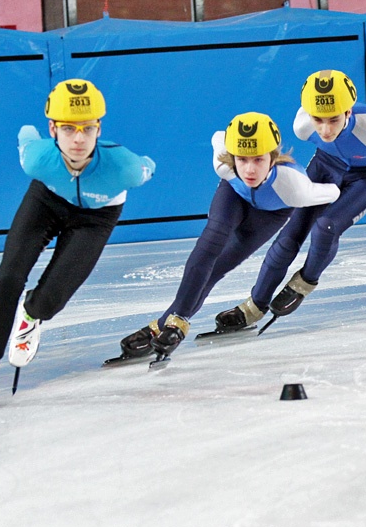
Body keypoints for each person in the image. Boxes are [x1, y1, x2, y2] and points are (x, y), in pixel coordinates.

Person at [0, 79, 155, 396]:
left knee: (51, 297)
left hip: (96, 217)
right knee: (8, 278)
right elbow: (26, 134)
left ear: (99, 128)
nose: (79, 139)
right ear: (53, 129)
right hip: (47, 200)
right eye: (69, 129)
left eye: (87, 128)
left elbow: (148, 167)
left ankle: (31, 317)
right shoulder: (35, 159)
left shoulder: (125, 168)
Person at [116, 111, 340, 361]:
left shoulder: (294, 187)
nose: (250, 170)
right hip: (233, 195)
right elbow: (218, 137)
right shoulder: (225, 165)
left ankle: (161, 324)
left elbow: (332, 193)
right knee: (209, 245)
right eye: (242, 159)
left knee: (217, 267)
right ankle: (175, 324)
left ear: (273, 157)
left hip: (271, 212)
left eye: (258, 159)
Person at [215, 69, 366, 332]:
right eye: (318, 120)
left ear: (349, 112)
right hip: (327, 166)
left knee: (326, 226)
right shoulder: (302, 126)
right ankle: (255, 305)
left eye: (333, 120)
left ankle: (304, 283)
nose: (325, 130)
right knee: (290, 235)